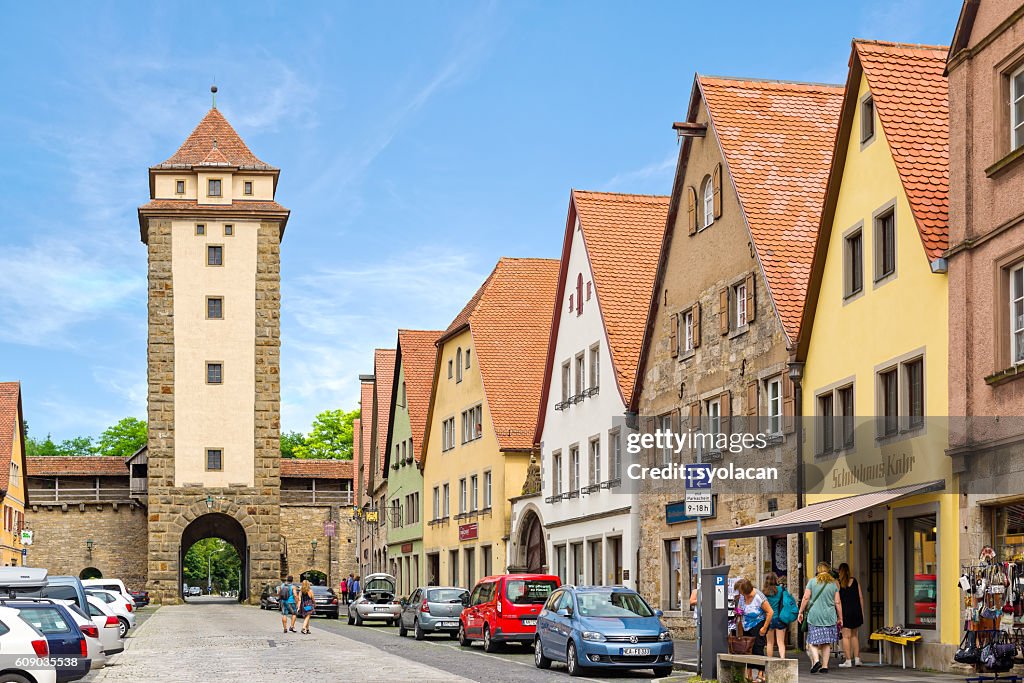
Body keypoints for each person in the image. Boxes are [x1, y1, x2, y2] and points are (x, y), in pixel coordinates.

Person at [797, 561, 843, 674]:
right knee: (826, 643)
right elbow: (837, 602)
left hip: (814, 616)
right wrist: (840, 617)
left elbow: (806, 598)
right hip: (829, 617)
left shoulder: (812, 582)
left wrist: (801, 611)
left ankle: (816, 660)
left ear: (818, 570)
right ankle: (825, 666)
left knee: (812, 642)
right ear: (828, 570)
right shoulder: (833, 584)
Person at [836, 563, 864, 667]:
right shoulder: (855, 581)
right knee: (854, 636)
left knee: (845, 636)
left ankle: (848, 660)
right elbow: (861, 597)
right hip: (856, 611)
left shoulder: (838, 583)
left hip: (845, 612)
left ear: (840, 571)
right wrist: (862, 611)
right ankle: (857, 659)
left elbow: (837, 600)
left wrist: (838, 615)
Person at [736, 578, 773, 656]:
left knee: (757, 650)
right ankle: (748, 668)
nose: (740, 593)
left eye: (740, 591)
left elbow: (770, 612)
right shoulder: (743, 596)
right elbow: (739, 608)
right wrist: (738, 611)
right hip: (746, 626)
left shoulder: (758, 597)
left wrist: (764, 628)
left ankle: (761, 668)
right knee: (747, 650)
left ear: (745, 590)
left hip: (758, 625)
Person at [762, 573, 791, 659]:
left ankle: (770, 661)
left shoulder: (764, 592)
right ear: (776, 580)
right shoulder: (781, 590)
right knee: (780, 642)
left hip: (769, 619)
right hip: (780, 618)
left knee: (769, 643)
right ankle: (782, 659)